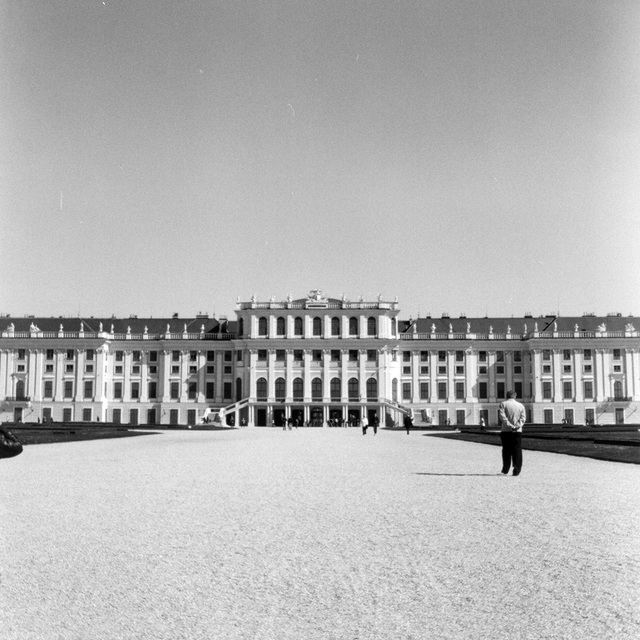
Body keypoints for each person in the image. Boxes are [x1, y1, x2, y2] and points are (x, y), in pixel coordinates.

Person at [498, 390, 526, 476]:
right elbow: (523, 418)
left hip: (506, 431)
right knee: (517, 450)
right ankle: (516, 470)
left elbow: (502, 417)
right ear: (515, 396)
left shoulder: (503, 404)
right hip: (517, 431)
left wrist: (509, 425)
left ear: (507, 396)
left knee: (506, 450)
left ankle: (505, 469)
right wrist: (517, 425)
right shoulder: (520, 405)